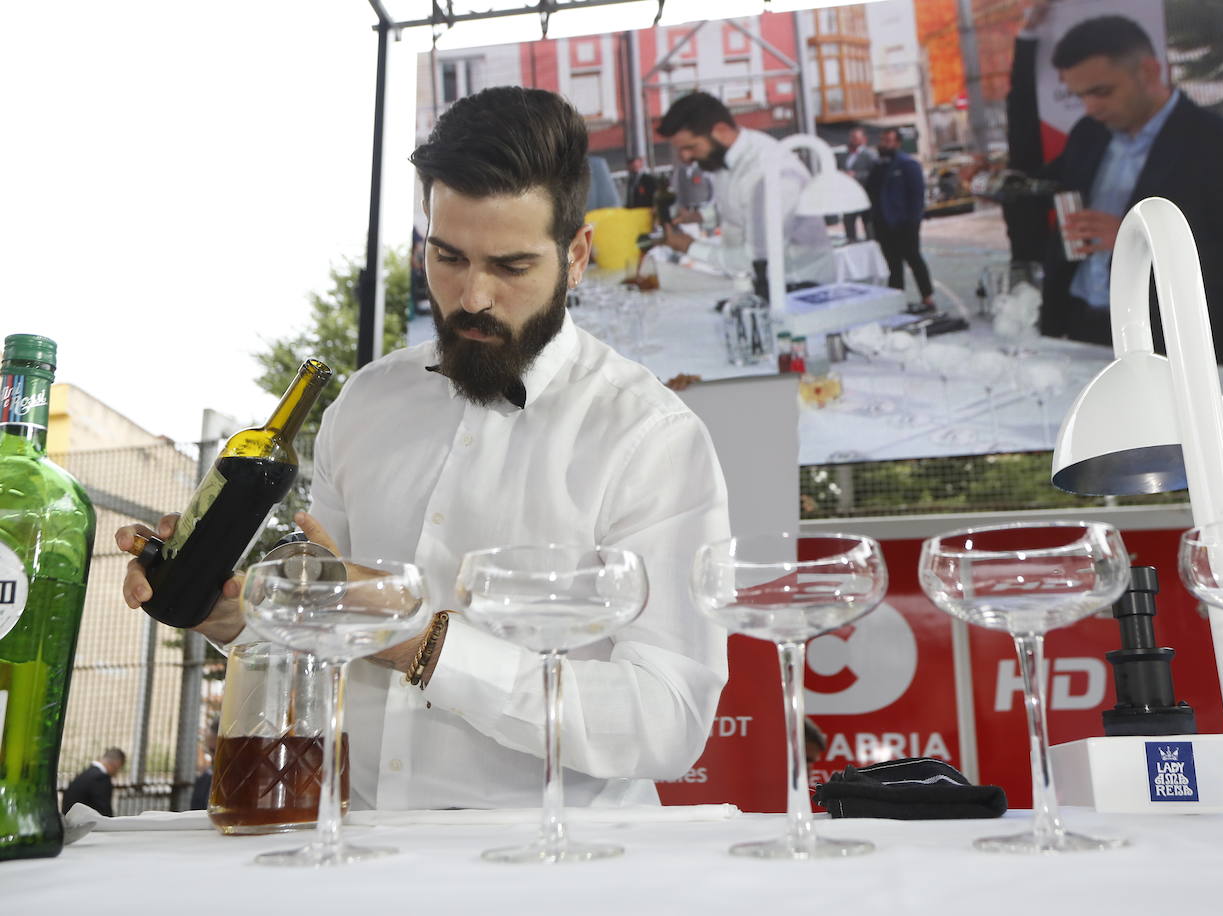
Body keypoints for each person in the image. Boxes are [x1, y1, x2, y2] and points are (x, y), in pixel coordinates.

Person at [118, 86, 731, 811]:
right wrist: (237, 621)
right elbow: (325, 621)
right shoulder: (367, 403)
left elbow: (667, 719)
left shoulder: (649, 437)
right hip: (359, 852)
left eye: (510, 267)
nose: (471, 297)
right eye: (448, 256)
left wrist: (420, 641)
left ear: (576, 256)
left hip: (566, 871)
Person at [1033, 15, 1223, 369]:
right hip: (1082, 328)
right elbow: (1050, 189)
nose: (1091, 108)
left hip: (1176, 345)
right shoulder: (1087, 135)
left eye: (1102, 92)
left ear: (1149, 72)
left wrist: (1141, 239)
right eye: (1079, 96)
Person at [656, 91, 835, 297]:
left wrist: (690, 247)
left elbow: (757, 258)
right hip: (758, 282)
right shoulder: (727, 155)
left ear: (721, 131)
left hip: (798, 286)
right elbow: (738, 205)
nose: (685, 158)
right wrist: (698, 216)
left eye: (690, 147)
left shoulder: (766, 172)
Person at [866, 127, 935, 309]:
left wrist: (913, 221)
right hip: (883, 223)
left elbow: (916, 196)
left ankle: (927, 297)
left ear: (897, 143)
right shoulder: (878, 166)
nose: (884, 144)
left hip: (904, 223)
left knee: (913, 259)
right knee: (893, 263)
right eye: (882, 140)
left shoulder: (907, 164)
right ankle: (896, 299)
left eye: (888, 140)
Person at [61, 747, 125, 817]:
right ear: (116, 764)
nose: (117, 773)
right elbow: (104, 811)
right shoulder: (101, 778)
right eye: (119, 768)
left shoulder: (87, 773)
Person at [842, 128, 877, 242]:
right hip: (850, 195)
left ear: (863, 139)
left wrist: (856, 175)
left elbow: (875, 173)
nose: (853, 140)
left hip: (865, 193)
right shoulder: (846, 155)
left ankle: (872, 244)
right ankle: (851, 240)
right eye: (852, 138)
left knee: (868, 223)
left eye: (855, 138)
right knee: (848, 221)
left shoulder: (869, 154)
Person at [669, 146, 713, 219]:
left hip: (703, 208)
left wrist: (708, 208)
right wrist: (680, 207)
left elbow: (713, 189)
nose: (685, 155)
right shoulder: (679, 170)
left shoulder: (704, 168)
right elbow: (675, 189)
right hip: (686, 209)